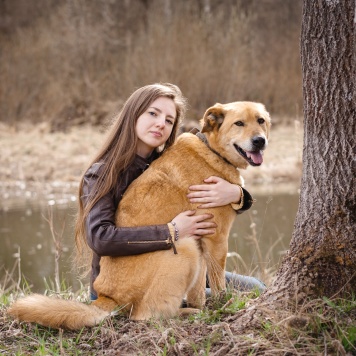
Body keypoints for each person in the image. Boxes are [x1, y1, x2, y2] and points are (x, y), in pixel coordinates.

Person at [74, 83, 265, 301]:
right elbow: (101, 239)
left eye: (169, 120)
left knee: (256, 287)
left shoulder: (173, 161)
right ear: (133, 114)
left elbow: (211, 214)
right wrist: (172, 232)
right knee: (231, 294)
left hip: (174, 262)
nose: (160, 124)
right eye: (153, 114)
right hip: (124, 283)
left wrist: (238, 195)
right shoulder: (102, 173)